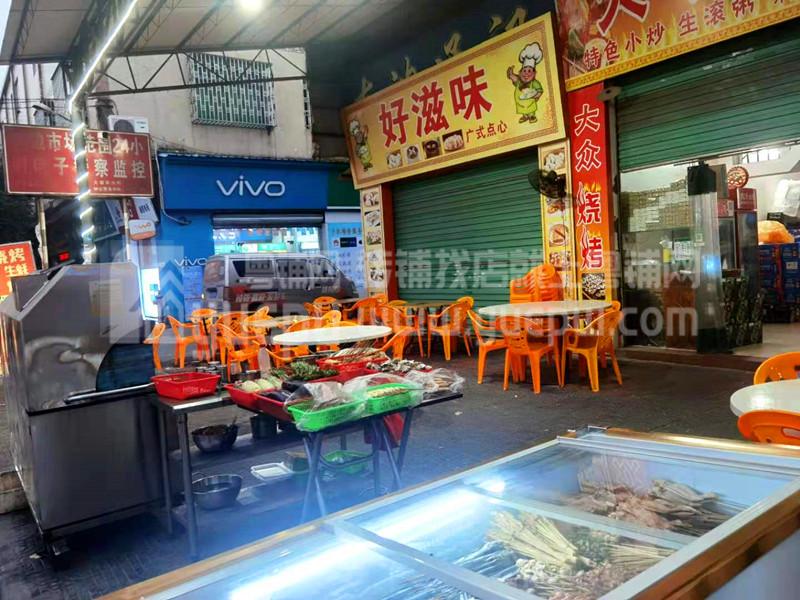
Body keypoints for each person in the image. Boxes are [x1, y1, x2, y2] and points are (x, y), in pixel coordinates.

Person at [507, 42, 544, 123]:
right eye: (524, 71)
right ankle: (525, 116)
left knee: (530, 109)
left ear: (534, 73)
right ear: (520, 73)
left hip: (530, 102)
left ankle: (531, 116)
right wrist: (511, 74)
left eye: (529, 71)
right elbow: (514, 78)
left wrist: (536, 95)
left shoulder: (534, 83)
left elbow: (540, 91)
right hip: (520, 104)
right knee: (522, 110)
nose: (526, 74)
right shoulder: (519, 82)